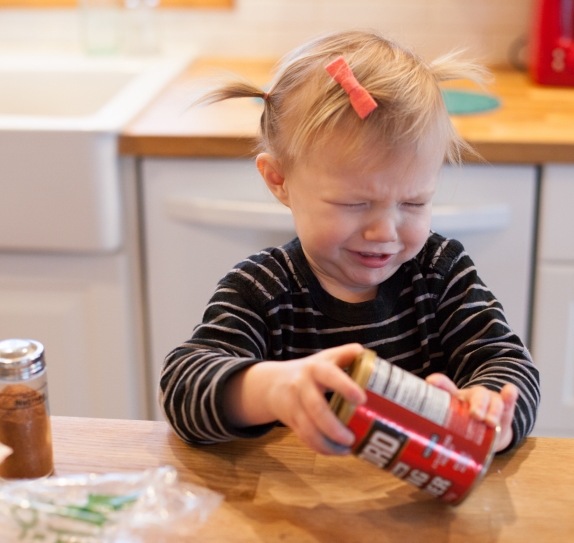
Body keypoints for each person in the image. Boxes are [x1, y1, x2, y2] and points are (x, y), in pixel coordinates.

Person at [160, 30, 539, 456]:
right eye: (355, 203)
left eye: (414, 202)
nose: (384, 232)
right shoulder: (261, 290)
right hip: (296, 513)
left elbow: (508, 364)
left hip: (420, 509)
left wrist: (492, 412)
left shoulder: (441, 272)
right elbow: (182, 388)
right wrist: (269, 388)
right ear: (279, 180)